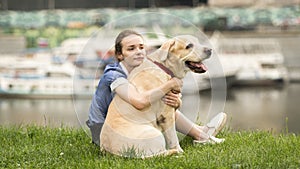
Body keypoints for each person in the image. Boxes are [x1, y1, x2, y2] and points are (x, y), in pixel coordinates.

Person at [86, 29, 226, 146]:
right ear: (119, 55)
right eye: (131, 49)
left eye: (141, 47)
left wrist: (177, 102)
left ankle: (200, 132)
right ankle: (200, 134)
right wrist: (170, 84)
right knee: (156, 103)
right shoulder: (115, 75)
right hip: (107, 132)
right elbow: (139, 102)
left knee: (161, 103)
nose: (139, 52)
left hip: (129, 124)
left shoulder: (143, 71)